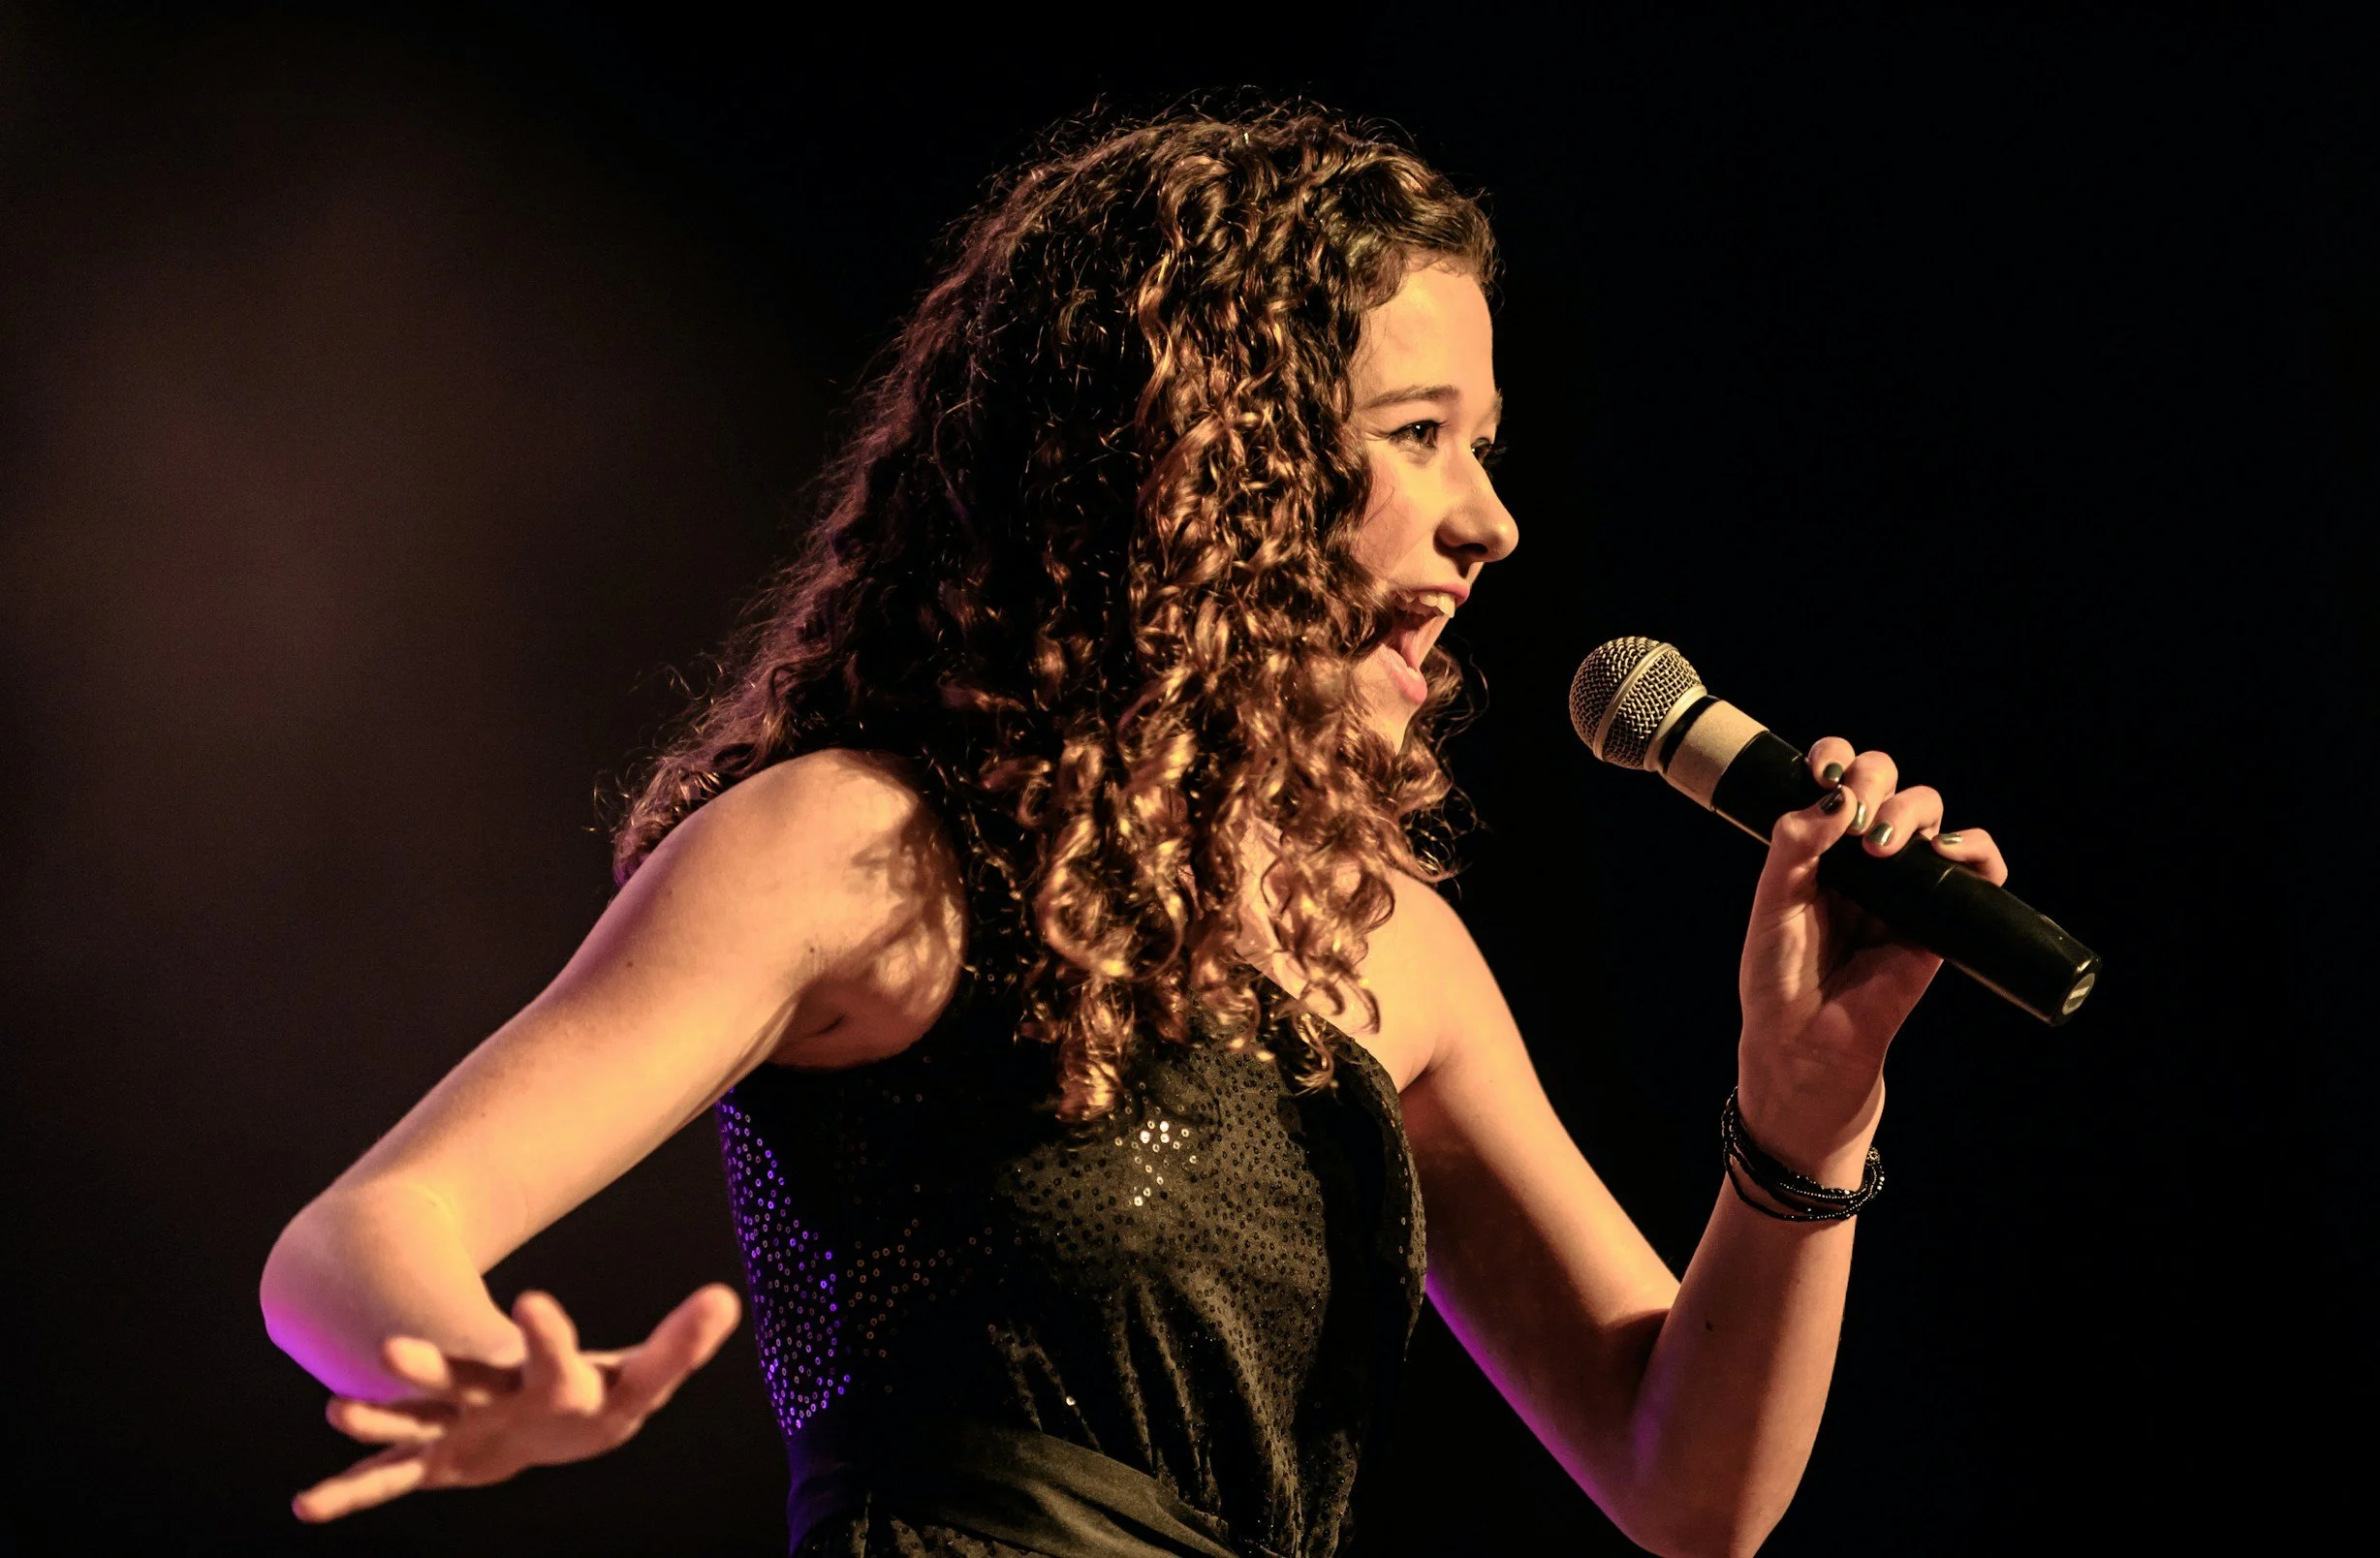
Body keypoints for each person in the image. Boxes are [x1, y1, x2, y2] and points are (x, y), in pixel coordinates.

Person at [261, 105, 2008, 1558]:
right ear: (1198, 460)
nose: (1494, 522)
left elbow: (1688, 1486)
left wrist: (1805, 1114)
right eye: (1419, 437)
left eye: (1486, 443)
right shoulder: (861, 848)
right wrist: (475, 1365)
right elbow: (356, 1239)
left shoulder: (1382, 946)